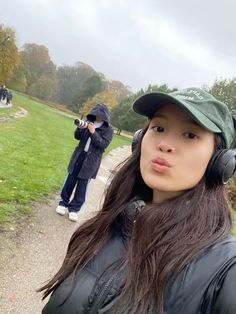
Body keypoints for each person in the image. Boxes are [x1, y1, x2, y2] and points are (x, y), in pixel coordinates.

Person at [40, 87, 236, 313]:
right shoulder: (108, 224)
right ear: (140, 139)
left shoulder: (226, 269)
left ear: (220, 162)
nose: (164, 144)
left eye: (190, 135)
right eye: (159, 128)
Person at [55, 103, 113, 222]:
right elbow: (77, 137)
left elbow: (103, 145)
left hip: (91, 161)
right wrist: (80, 129)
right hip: (79, 156)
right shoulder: (88, 121)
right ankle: (63, 203)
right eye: (95, 113)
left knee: (82, 186)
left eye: (99, 114)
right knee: (70, 181)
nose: (97, 116)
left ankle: (74, 210)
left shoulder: (108, 129)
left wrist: (93, 132)